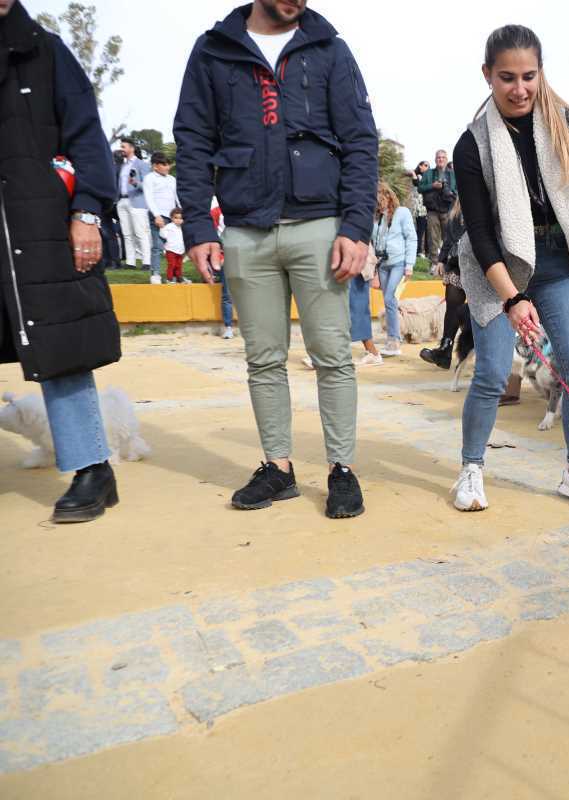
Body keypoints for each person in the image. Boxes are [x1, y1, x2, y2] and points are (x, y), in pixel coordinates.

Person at [174, 0, 378, 519]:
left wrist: (355, 227)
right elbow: (193, 140)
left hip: (320, 226)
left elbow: (359, 140)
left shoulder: (330, 49)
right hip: (246, 229)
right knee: (263, 358)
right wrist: (198, 225)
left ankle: (342, 470)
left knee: (332, 354)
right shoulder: (214, 50)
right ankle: (278, 468)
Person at [450, 24, 569, 513]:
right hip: (496, 265)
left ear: (541, 74)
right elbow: (479, 233)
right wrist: (512, 299)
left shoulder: (568, 130)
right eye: (506, 77)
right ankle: (471, 468)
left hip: (558, 261)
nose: (519, 88)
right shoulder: (471, 145)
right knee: (494, 372)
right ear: (487, 76)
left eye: (528, 76)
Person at [0, 0, 122, 523]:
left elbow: (86, 136)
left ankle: (92, 468)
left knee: (61, 342)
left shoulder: (45, 51)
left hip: (41, 225)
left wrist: (88, 211)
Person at [420, 203, 469, 370]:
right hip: (457, 263)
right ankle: (445, 349)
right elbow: (448, 239)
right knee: (453, 305)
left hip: (481, 264)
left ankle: (483, 350)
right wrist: (441, 259)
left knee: (480, 309)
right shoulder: (455, 213)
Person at [371, 181, 418, 356]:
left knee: (390, 298)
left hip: (398, 263)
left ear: (386, 195)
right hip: (382, 264)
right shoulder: (375, 216)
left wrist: (410, 265)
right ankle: (394, 336)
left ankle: (394, 340)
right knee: (389, 301)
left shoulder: (402, 213)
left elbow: (411, 238)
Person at [115, 137, 151, 267]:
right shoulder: (123, 166)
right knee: (127, 233)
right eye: (121, 146)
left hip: (137, 202)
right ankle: (131, 262)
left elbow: (147, 185)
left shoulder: (142, 165)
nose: (121, 149)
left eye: (123, 146)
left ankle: (147, 261)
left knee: (140, 232)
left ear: (131, 148)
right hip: (122, 201)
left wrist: (136, 183)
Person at [144, 151, 178, 283]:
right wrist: (156, 215)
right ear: (155, 166)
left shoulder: (172, 179)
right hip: (157, 216)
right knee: (158, 246)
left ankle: (174, 275)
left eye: (168, 164)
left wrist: (180, 212)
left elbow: (176, 197)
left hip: (172, 216)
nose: (167, 167)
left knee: (174, 246)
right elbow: (149, 198)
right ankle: (155, 273)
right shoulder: (149, 178)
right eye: (163, 164)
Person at [419, 149, 457, 259]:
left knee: (448, 237)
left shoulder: (453, 174)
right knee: (432, 237)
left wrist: (449, 191)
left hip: (448, 210)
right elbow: (420, 188)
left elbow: (458, 190)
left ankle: (447, 261)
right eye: (438, 157)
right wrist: (432, 186)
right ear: (435, 159)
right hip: (432, 210)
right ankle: (434, 262)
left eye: (443, 157)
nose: (440, 159)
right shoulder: (428, 173)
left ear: (446, 159)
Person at [210, 203, 236, 338]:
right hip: (225, 256)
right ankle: (228, 327)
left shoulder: (243, 206)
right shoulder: (216, 211)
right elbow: (212, 235)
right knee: (227, 294)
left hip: (244, 255)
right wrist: (219, 256)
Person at [160, 208, 189, 284]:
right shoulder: (169, 226)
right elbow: (163, 235)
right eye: (176, 218)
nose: (178, 220)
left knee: (179, 265)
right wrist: (162, 228)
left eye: (180, 218)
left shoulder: (183, 227)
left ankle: (179, 278)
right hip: (170, 250)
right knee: (172, 264)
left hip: (180, 250)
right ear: (172, 218)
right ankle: (169, 279)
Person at [409, 160, 430, 256]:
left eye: (428, 166)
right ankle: (418, 251)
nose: (427, 167)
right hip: (420, 208)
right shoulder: (418, 176)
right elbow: (416, 183)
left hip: (426, 207)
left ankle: (426, 251)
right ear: (420, 166)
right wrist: (413, 172)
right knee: (420, 230)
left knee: (427, 230)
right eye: (425, 165)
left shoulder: (427, 177)